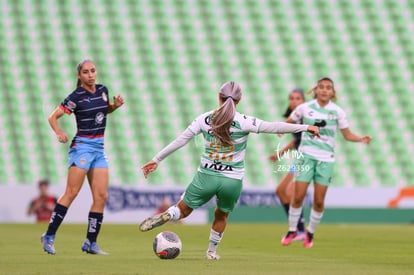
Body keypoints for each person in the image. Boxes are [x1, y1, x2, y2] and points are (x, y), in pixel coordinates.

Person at [138, 81, 319, 260]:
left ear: (219, 97)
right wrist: (306, 127)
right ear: (239, 100)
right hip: (232, 180)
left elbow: (181, 140)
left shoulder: (204, 119)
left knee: (183, 210)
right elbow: (274, 127)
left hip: (206, 176)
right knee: (221, 214)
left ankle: (171, 214)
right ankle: (211, 251)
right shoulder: (244, 121)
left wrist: (156, 160)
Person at [41, 59, 124, 255]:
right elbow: (52, 117)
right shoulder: (76, 96)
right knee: (71, 192)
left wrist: (115, 106)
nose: (91, 75)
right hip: (82, 148)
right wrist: (59, 132)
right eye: (86, 72)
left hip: (99, 148)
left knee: (101, 196)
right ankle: (49, 235)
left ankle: (90, 242)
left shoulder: (103, 90)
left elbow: (104, 111)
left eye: (93, 70)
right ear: (79, 76)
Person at [281, 77, 371, 248]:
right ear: (316, 90)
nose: (324, 90)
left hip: (326, 159)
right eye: (321, 87)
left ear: (333, 92)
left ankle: (310, 233)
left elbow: (347, 134)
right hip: (305, 156)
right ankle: (292, 230)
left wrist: (361, 139)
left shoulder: (338, 112)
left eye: (328, 87)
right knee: (298, 196)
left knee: (319, 201)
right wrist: (280, 130)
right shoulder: (304, 108)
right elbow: (290, 121)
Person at [269, 88, 306, 240]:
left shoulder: (308, 116)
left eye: (298, 98)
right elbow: (295, 140)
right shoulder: (295, 118)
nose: (294, 101)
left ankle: (301, 230)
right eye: (291, 98)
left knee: (291, 191)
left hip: (308, 158)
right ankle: (297, 228)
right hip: (299, 159)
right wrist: (280, 153)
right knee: (281, 191)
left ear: (303, 101)